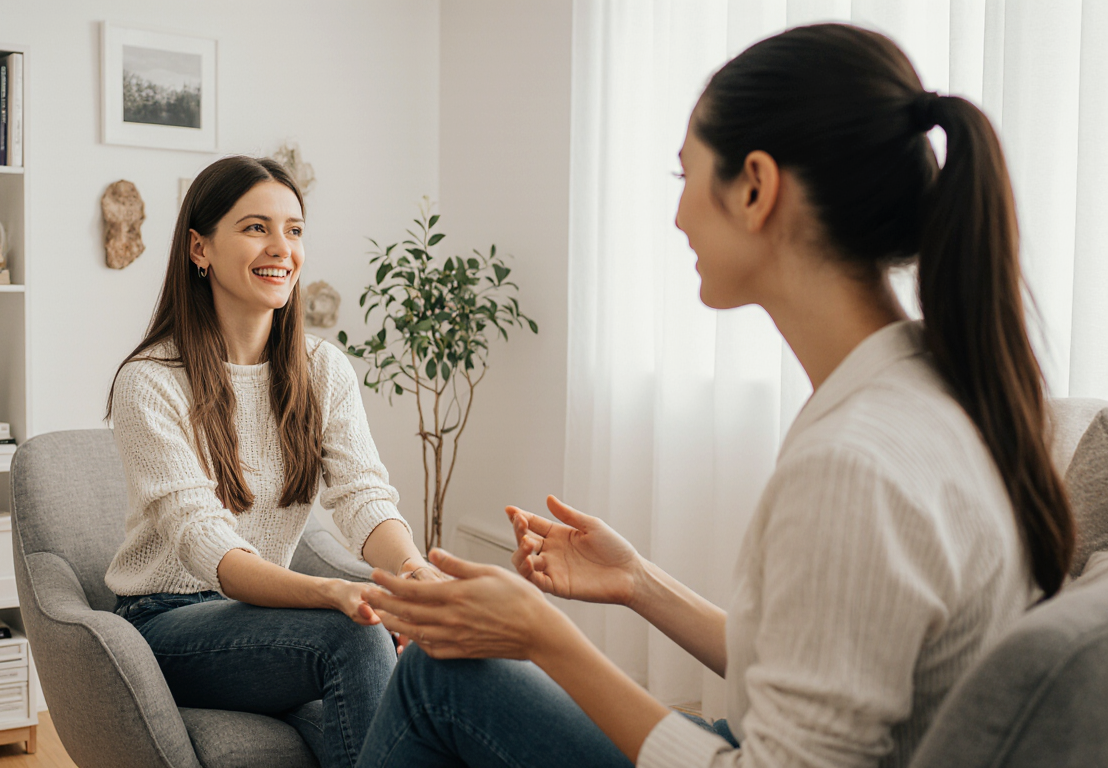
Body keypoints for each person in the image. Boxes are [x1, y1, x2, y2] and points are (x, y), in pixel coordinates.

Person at [356, 23, 1076, 768]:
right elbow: (824, 671)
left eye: (684, 178)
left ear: (757, 187)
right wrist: (639, 582)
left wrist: (546, 636)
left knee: (432, 680)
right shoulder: (932, 390)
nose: (677, 216)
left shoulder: (855, 463)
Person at [103, 156, 438, 768]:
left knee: (425, 643)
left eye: (295, 229)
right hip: (166, 624)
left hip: (261, 614)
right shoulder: (150, 381)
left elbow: (364, 498)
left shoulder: (324, 370)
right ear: (199, 248)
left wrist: (414, 576)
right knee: (356, 634)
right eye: (256, 227)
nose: (282, 247)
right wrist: (332, 593)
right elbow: (210, 548)